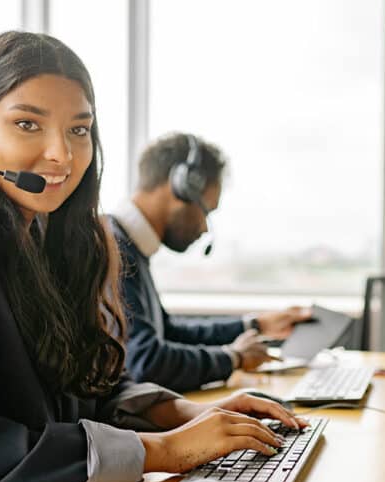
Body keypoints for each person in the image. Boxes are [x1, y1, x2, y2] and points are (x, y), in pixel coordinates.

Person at [0, 32, 304, 482]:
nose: (62, 154)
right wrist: (162, 451)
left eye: (79, 130)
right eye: (27, 124)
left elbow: (83, 387)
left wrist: (184, 413)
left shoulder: (42, 236)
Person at [109, 132, 312, 393]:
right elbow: (146, 363)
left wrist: (255, 325)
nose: (205, 228)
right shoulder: (113, 250)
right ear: (181, 186)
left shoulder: (130, 245)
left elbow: (168, 332)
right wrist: (233, 358)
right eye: (206, 211)